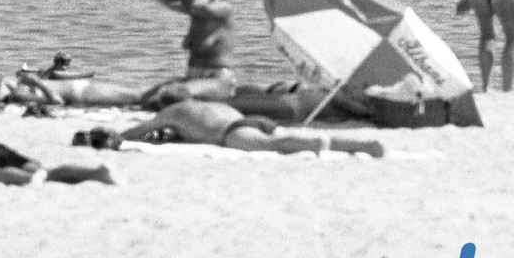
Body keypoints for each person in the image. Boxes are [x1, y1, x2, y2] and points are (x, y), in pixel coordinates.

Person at [108, 99, 385, 158]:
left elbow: (140, 129)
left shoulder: (173, 112)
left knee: (273, 146)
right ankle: (362, 145)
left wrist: (118, 137)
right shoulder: (211, 104)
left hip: (233, 131)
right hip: (253, 118)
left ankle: (312, 145)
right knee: (282, 135)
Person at [144, 0, 236, 107]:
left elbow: (199, 5)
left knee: (173, 95)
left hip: (217, 78)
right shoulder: (195, 11)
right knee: (148, 98)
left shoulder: (223, 9)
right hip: (192, 74)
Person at [0, 52, 144, 107]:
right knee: (139, 97)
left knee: (139, 94)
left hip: (80, 88)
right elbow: (57, 101)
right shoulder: (17, 94)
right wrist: (36, 83)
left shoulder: (17, 85)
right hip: (79, 93)